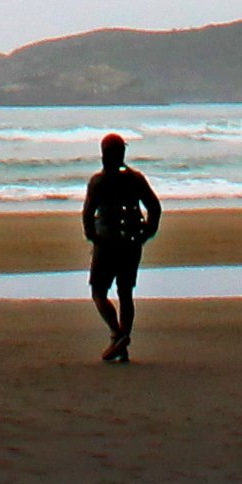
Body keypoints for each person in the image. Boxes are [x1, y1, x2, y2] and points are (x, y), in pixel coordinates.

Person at [82, 132, 162, 362]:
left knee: (98, 291)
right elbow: (154, 208)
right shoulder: (135, 179)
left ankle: (117, 334)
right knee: (125, 293)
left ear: (103, 154)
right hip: (130, 242)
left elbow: (87, 214)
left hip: (106, 243)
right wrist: (147, 232)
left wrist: (92, 236)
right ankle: (122, 339)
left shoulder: (98, 181)